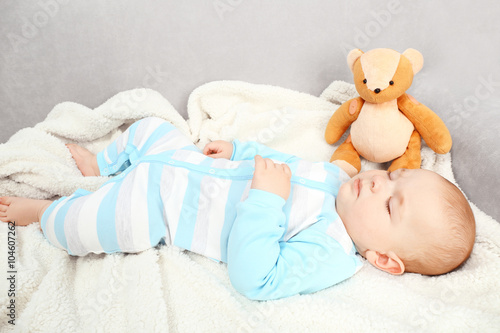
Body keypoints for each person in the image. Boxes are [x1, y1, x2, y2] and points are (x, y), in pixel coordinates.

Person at [0, 117, 475, 300]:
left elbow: (256, 278)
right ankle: (100, 165)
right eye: (392, 176)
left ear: (384, 259)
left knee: (87, 227)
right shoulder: (339, 177)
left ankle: (43, 212)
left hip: (159, 207)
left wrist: (267, 199)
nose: (376, 184)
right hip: (180, 161)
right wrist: (240, 152)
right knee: (150, 127)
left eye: (390, 206)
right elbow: (283, 163)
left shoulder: (331, 251)